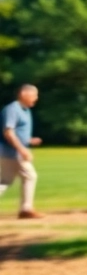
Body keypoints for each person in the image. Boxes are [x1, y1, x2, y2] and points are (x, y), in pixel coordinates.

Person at [0, 84, 42, 219]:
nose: (36, 98)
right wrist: (22, 149)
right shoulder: (12, 109)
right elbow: (8, 132)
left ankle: (26, 209)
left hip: (11, 152)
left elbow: (18, 132)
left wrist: (29, 140)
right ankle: (26, 209)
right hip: (12, 152)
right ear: (24, 94)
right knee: (30, 176)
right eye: (34, 95)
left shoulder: (25, 110)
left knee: (5, 181)